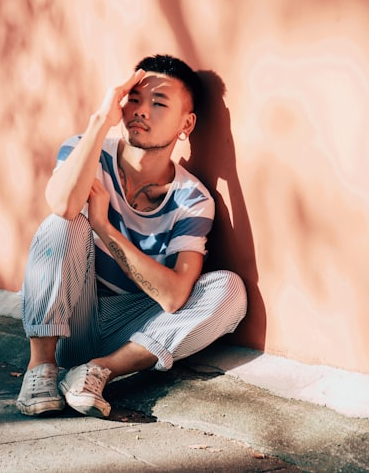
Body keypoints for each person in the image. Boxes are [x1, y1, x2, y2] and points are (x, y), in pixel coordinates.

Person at [16, 54, 248, 418]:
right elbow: (61, 205)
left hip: (133, 329)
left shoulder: (193, 199)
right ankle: (41, 368)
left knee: (230, 290)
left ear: (186, 124)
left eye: (158, 103)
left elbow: (173, 298)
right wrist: (100, 120)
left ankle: (96, 372)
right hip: (76, 314)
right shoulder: (87, 150)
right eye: (134, 99)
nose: (141, 110)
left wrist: (106, 229)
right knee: (65, 221)